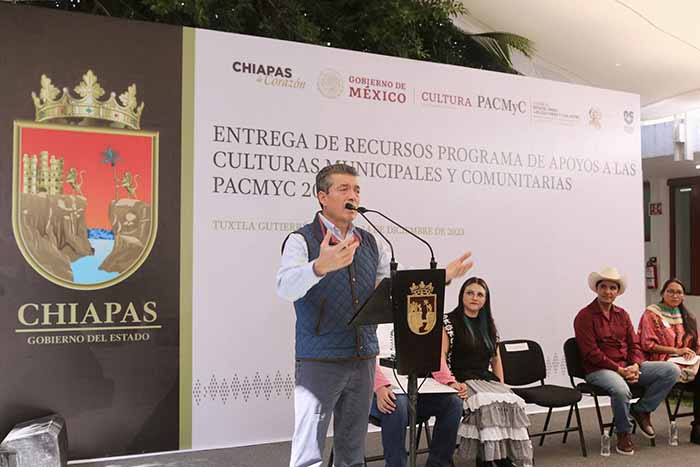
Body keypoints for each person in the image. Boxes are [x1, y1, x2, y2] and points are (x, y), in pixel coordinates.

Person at [276, 163, 473, 467]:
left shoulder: (371, 241)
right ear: (322, 197)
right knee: (309, 451)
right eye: (344, 189)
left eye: (356, 189)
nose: (353, 196)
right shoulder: (302, 240)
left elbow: (399, 285)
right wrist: (318, 267)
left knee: (352, 449)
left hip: (364, 358)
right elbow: (285, 286)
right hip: (320, 358)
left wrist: (442, 277)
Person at [574, 266, 680, 456]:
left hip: (626, 366)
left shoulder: (622, 314)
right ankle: (623, 433)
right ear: (597, 289)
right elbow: (591, 353)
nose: (608, 292)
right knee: (622, 390)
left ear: (617, 292)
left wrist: (635, 365)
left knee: (671, 371)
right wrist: (619, 370)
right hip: (599, 369)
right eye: (604, 287)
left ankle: (641, 410)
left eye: (612, 288)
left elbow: (634, 344)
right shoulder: (584, 316)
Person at [433, 277, 533, 467]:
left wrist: (502, 386)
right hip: (461, 378)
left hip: (486, 378)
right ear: (462, 295)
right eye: (470, 293)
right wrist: (451, 382)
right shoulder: (448, 322)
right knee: (486, 405)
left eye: (480, 294)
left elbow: (496, 359)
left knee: (512, 401)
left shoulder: (489, 325)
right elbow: (440, 356)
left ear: (486, 300)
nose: (474, 297)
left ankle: (503, 457)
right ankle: (490, 459)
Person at [638, 278, 700, 444]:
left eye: (679, 292)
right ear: (662, 293)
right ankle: (698, 428)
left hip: (687, 362)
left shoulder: (688, 317)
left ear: (684, 296)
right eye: (670, 291)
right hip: (662, 362)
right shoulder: (652, 314)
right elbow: (647, 344)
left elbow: (696, 345)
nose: (675, 295)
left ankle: (698, 426)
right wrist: (676, 351)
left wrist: (692, 354)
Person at [371, 361, 463, 467]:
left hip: (411, 387)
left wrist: (450, 382)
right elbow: (366, 361)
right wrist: (380, 386)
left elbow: (432, 356)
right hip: (372, 389)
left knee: (453, 402)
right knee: (396, 403)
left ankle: (439, 464)